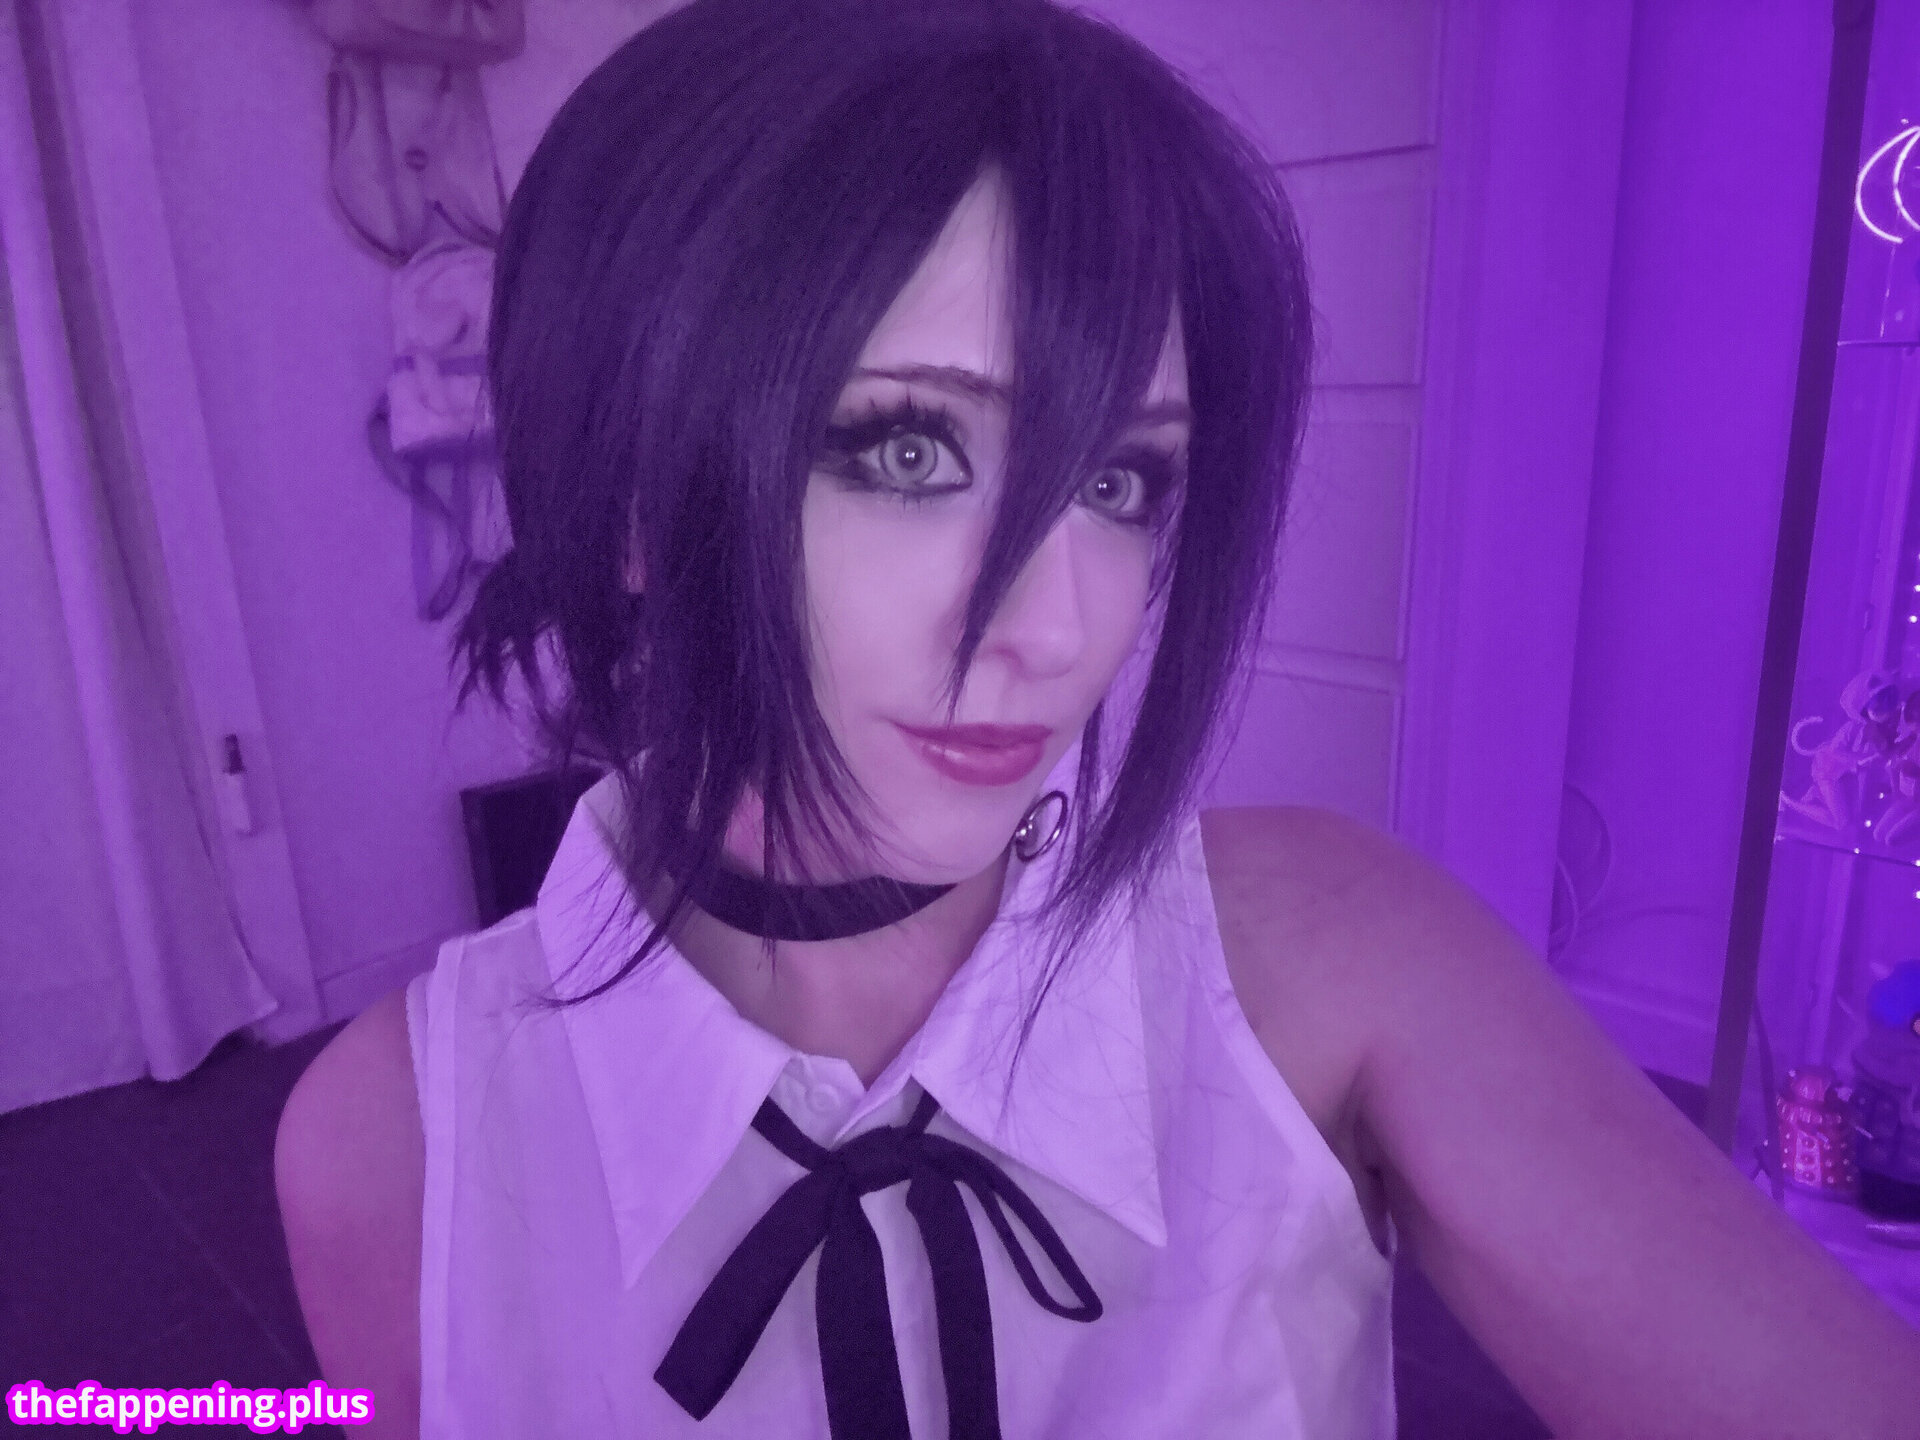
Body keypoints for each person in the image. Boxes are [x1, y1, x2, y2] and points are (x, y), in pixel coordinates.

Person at [273, 1, 1920, 1436]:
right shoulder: (392, 1143)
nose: (1063, 631)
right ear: (631, 496)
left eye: (1124, 480)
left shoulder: (1328, 964)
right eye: (908, 448)